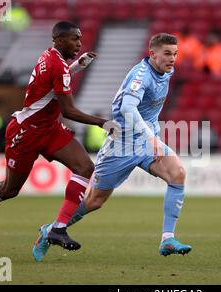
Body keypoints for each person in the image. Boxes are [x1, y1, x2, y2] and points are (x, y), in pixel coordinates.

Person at [0, 21, 118, 253]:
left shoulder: (51, 57)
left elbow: (53, 83)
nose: (80, 43)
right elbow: (68, 111)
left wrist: (77, 67)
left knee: (84, 167)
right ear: (59, 40)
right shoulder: (57, 65)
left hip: (48, 129)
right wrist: (103, 123)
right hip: (26, 133)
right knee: (10, 190)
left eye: (80, 38)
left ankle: (58, 228)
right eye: (74, 39)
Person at [33, 33, 192, 262]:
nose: (172, 59)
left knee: (177, 173)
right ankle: (51, 231)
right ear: (152, 54)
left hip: (145, 140)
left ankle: (167, 239)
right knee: (94, 201)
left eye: (175, 54)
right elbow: (128, 108)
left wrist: (150, 138)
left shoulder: (166, 70)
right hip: (121, 144)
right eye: (167, 54)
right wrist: (152, 139)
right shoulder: (141, 75)